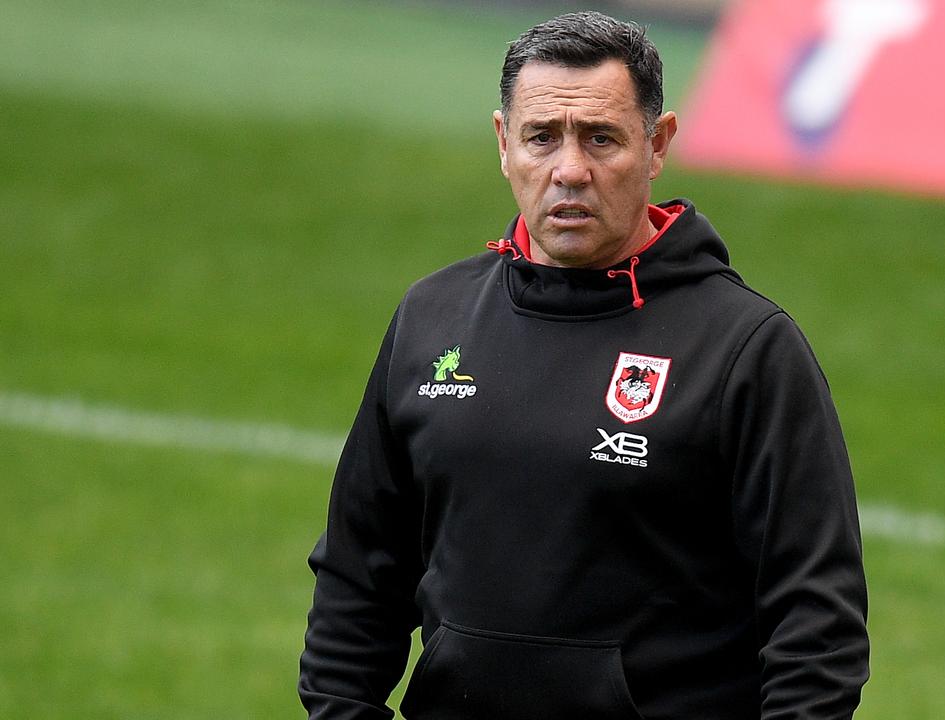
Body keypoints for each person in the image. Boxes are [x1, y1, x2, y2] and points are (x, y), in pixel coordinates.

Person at [300, 11, 869, 720]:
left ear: (657, 146)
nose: (570, 170)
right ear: (505, 145)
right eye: (542, 138)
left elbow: (817, 626)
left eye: (601, 138)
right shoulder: (432, 317)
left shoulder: (745, 349)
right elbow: (360, 573)